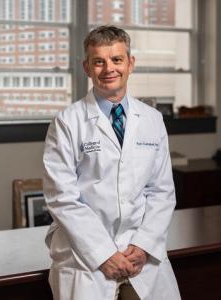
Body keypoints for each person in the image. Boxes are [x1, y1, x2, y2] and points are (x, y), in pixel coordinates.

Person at [43, 25, 181, 300]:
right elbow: (62, 198)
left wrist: (143, 246)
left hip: (140, 254)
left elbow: (161, 192)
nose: (109, 69)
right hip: (86, 257)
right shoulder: (67, 122)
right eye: (99, 61)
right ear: (87, 67)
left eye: (117, 59)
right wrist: (103, 253)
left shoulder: (152, 120)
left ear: (130, 63)